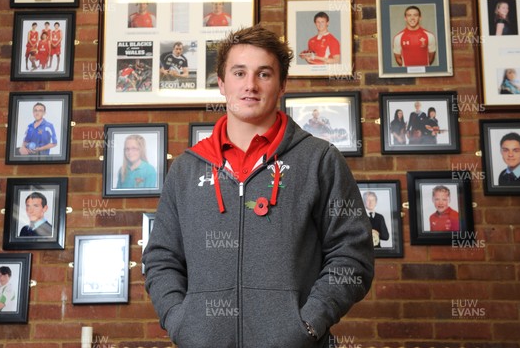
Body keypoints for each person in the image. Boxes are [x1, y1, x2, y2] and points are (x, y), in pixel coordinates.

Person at [143, 25, 374, 347]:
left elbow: (352, 255)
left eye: (264, 74)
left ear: (282, 86)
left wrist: (308, 324)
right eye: (239, 73)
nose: (250, 85)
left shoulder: (319, 159)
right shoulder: (186, 168)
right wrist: (180, 322)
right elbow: (161, 258)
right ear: (221, 83)